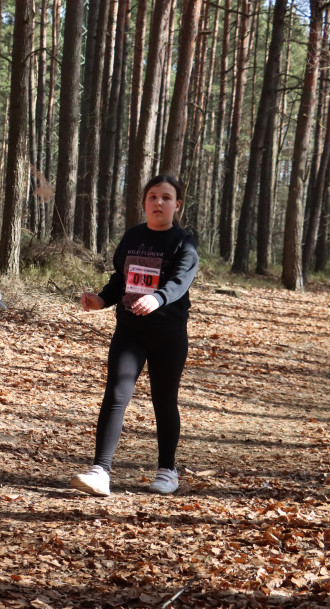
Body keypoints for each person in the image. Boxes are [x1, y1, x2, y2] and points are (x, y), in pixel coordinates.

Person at [71, 175, 199, 497]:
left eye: (166, 198)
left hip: (168, 336)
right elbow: (120, 279)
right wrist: (101, 299)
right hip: (130, 332)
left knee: (164, 401)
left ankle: (167, 470)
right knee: (116, 395)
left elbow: (181, 281)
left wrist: (157, 298)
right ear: (144, 202)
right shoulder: (132, 237)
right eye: (152, 196)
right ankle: (100, 470)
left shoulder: (184, 242)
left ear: (177, 204)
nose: (158, 203)